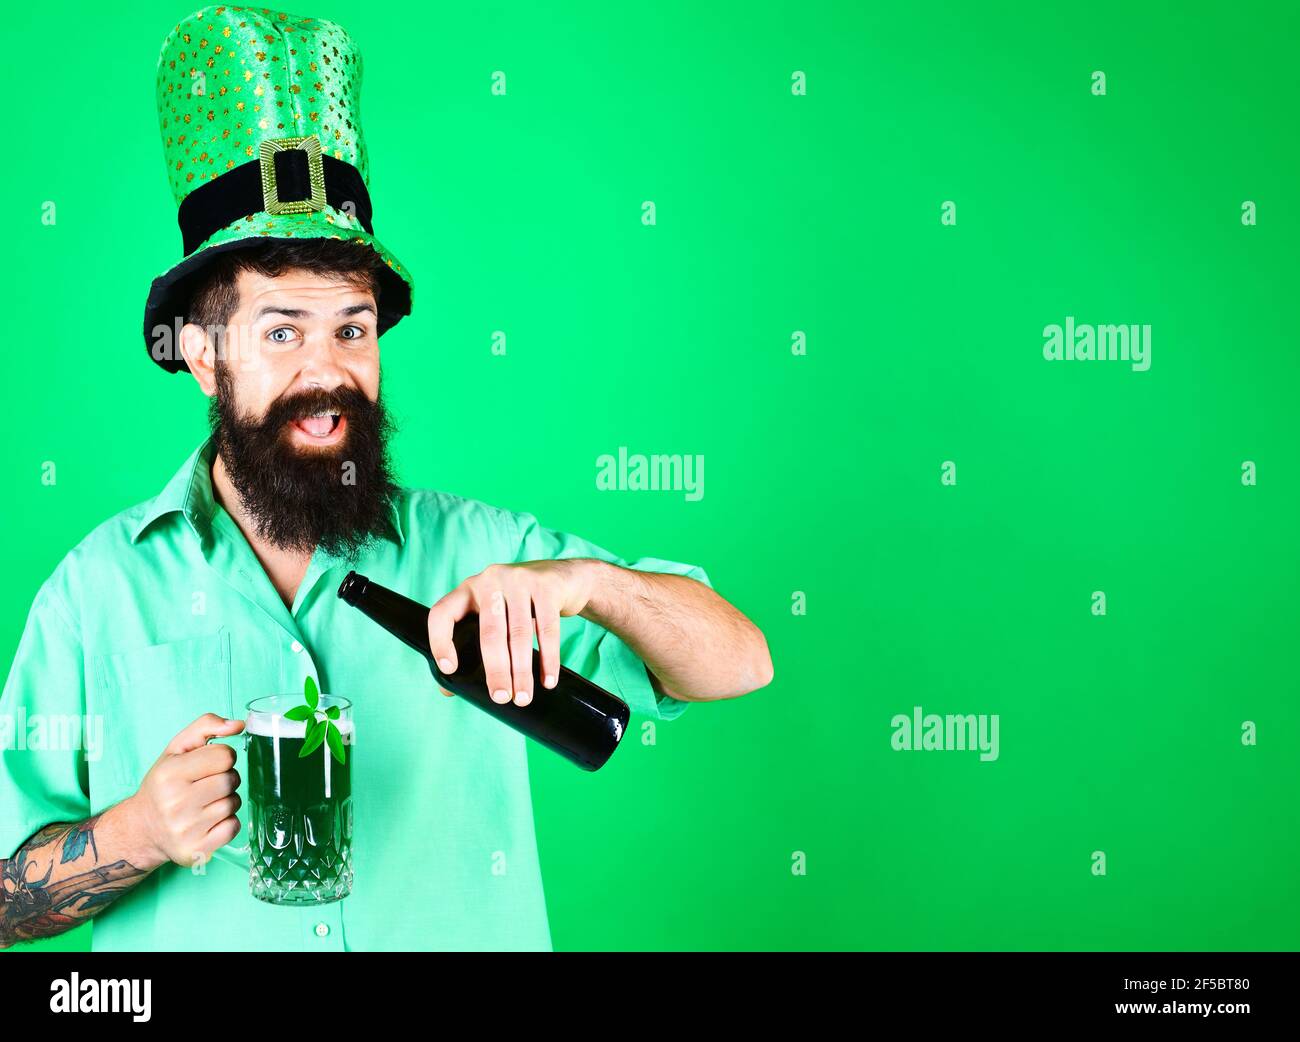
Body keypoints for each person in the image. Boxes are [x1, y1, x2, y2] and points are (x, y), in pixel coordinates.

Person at [0, 6, 771, 951]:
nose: (326, 372)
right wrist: (137, 832)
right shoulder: (94, 595)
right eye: (281, 331)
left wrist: (588, 586)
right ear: (203, 357)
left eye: (351, 329)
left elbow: (742, 662)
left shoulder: (487, 554)